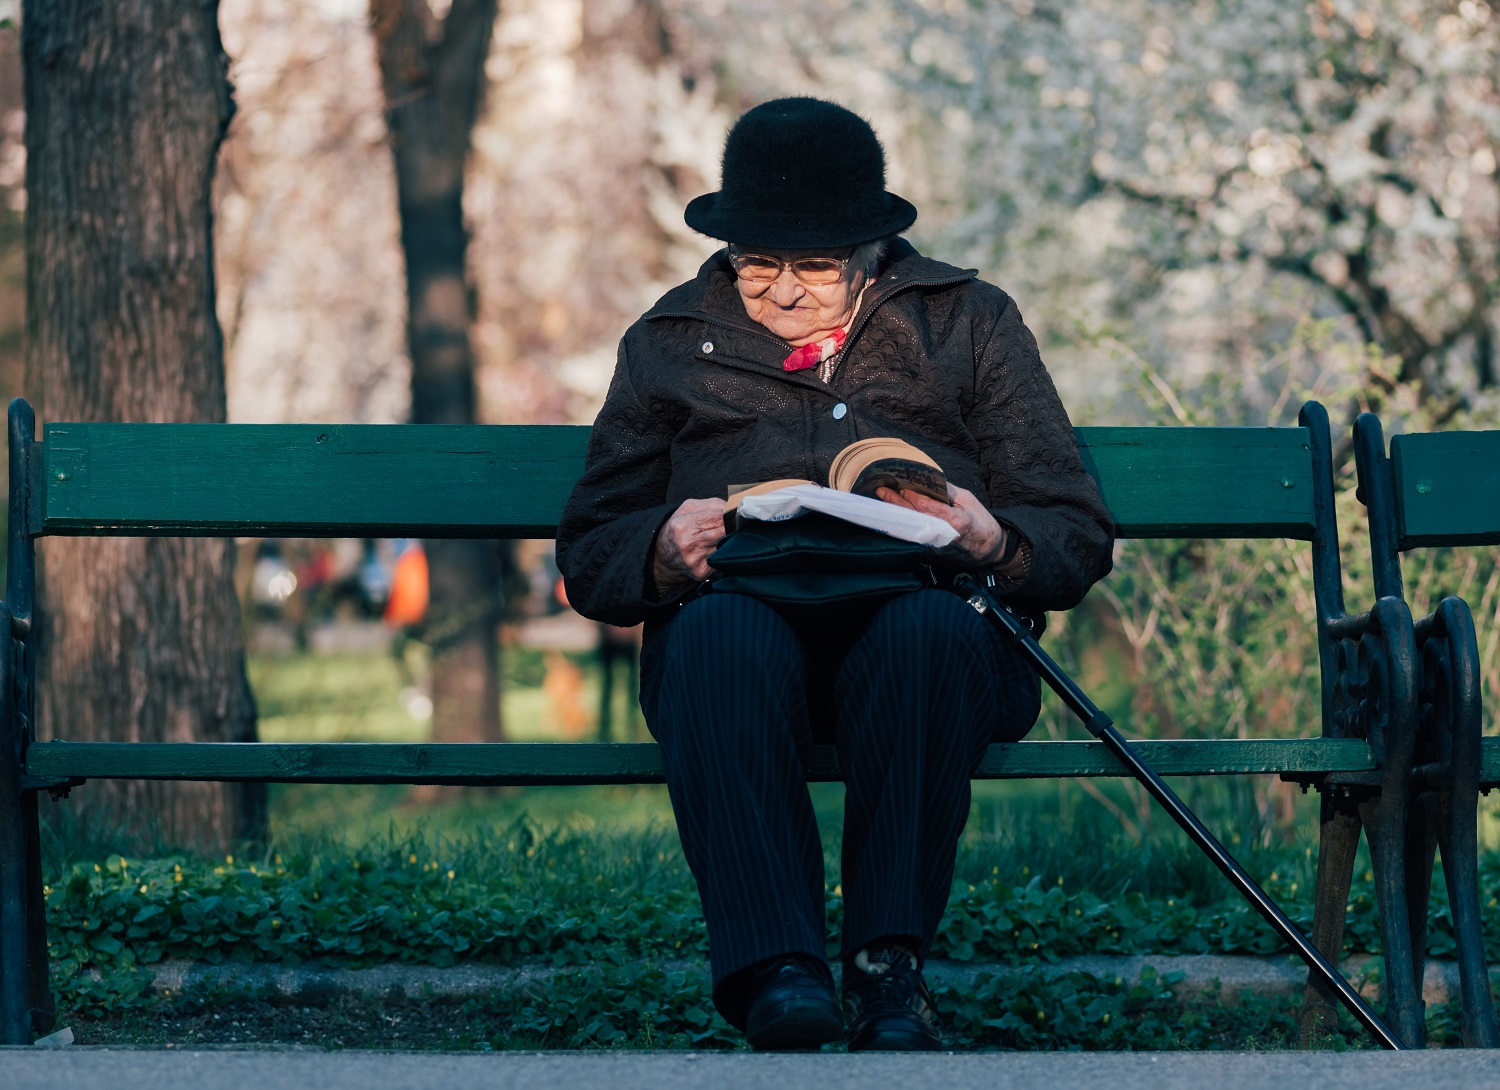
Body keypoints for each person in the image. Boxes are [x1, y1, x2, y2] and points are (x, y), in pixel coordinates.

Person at [556, 98, 1114, 1051]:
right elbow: (593, 548)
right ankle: (779, 971)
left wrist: (991, 541)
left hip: (921, 630)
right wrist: (659, 547)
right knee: (719, 640)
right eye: (756, 262)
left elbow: (1071, 528)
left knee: (927, 637)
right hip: (742, 632)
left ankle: (886, 972)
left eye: (811, 265)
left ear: (868, 252)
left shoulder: (967, 323)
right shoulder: (668, 339)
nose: (779, 291)